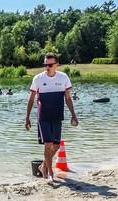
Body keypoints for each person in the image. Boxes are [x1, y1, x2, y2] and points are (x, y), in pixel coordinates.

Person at [25, 53, 78, 182]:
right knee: (48, 144)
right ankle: (50, 173)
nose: (47, 67)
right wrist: (27, 117)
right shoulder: (38, 78)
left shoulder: (63, 77)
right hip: (43, 116)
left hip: (57, 116)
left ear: (56, 65)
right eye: (45, 65)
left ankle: (43, 166)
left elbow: (68, 98)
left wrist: (73, 115)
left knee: (56, 146)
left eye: (49, 65)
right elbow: (31, 99)